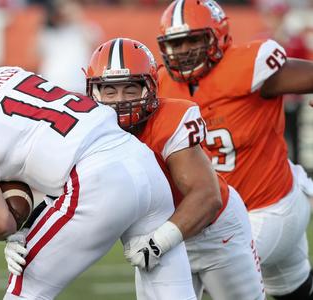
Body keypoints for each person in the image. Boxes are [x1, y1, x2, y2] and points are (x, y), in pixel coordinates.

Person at [0, 63, 196, 299]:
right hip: (143, 164)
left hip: (96, 179)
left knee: (25, 292)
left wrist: (9, 234)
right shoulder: (6, 75)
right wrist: (21, 224)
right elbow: (38, 149)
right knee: (174, 295)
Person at [85, 38, 264, 300]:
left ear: (150, 88)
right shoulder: (86, 130)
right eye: (110, 91)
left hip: (213, 231)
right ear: (93, 92)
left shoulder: (171, 119)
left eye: (130, 90)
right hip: (154, 237)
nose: (119, 101)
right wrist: (23, 233)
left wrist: (159, 242)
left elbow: (206, 197)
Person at [157, 0, 313, 298]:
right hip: (230, 211)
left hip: (268, 208)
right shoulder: (163, 85)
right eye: (175, 43)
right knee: (296, 291)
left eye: (193, 40)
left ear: (218, 36)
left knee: (214, 272)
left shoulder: (246, 66)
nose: (184, 51)